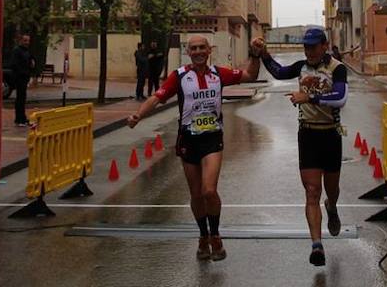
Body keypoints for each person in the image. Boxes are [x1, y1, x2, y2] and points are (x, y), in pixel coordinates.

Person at [127, 35, 262, 261]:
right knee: (197, 194)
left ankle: (216, 235)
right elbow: (157, 97)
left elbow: (250, 75)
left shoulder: (219, 74)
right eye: (194, 48)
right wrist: (138, 115)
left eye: (202, 47)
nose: (198, 51)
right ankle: (203, 237)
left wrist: (256, 54)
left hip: (212, 139)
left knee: (209, 191)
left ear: (209, 50)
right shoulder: (179, 76)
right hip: (188, 141)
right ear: (188, 52)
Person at [257, 28, 348, 267]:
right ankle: (317, 245)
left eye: (313, 46)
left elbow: (340, 98)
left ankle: (333, 206)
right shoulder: (301, 66)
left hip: (330, 134)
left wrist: (310, 98)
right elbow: (279, 71)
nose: (308, 51)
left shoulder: (337, 68)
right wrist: (263, 54)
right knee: (311, 191)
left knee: (332, 189)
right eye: (306, 47)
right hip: (307, 134)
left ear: (324, 45)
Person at [9, 34, 36, 127]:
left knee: (23, 98)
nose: (27, 42)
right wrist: (22, 72)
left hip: (25, 77)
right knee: (20, 98)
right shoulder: (17, 51)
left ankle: (22, 118)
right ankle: (19, 119)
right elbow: (14, 64)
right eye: (25, 40)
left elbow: (30, 61)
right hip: (19, 77)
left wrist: (31, 64)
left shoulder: (27, 51)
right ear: (20, 41)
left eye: (28, 40)